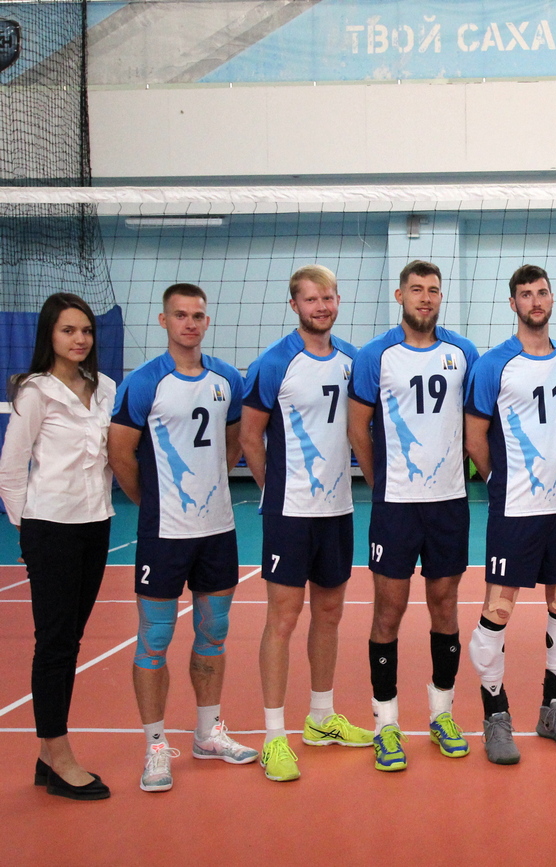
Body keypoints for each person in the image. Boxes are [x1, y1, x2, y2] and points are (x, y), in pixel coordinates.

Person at [109, 283, 258, 793]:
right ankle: (155, 746)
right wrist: (153, 503)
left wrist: (209, 487)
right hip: (164, 533)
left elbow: (234, 442)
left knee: (213, 632)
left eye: (197, 315)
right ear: (164, 320)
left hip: (217, 529)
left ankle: (207, 733)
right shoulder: (143, 382)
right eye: (180, 315)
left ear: (206, 321)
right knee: (155, 638)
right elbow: (119, 453)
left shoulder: (227, 379)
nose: (190, 323)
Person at [240, 265, 372, 783]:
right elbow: (250, 436)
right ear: (294, 304)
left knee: (331, 612)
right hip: (290, 513)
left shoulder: (353, 361)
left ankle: (321, 718)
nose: (322, 307)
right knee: (283, 618)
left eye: (328, 298)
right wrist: (274, 489)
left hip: (338, 508)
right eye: (311, 299)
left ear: (338, 300)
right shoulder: (275, 363)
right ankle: (274, 736)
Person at [348, 260, 478, 772]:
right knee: (389, 610)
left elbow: (474, 422)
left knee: (445, 607)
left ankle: (442, 714)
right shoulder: (375, 355)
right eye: (417, 289)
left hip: (448, 503)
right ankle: (386, 723)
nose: (426, 297)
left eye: (433, 290)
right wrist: (381, 484)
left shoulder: (462, 353)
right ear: (400, 294)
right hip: (396, 506)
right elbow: (357, 427)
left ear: (441, 297)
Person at [464, 264, 556, 765]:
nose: (535, 301)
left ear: (551, 299)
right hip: (515, 507)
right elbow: (474, 434)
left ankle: (553, 709)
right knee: (497, 612)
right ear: (513, 303)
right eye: (526, 294)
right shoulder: (494, 364)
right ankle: (495, 716)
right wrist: (498, 480)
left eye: (542, 292)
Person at [0, 293, 116, 800]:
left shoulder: (104, 386)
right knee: (53, 642)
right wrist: (27, 531)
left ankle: (48, 757)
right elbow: (11, 468)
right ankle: (58, 751)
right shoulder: (36, 392)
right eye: (68, 330)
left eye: (86, 330)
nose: (79, 339)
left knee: (71, 639)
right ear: (49, 334)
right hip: (51, 526)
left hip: (97, 523)